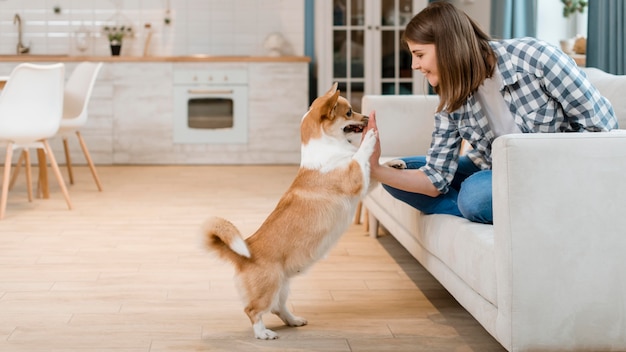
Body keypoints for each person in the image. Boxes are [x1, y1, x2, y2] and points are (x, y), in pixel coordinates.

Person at [363, 1, 617, 224]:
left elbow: (601, 125)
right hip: (493, 167)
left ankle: (486, 204)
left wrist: (571, 177)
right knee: (398, 172)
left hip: (551, 172)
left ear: (448, 46)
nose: (414, 65)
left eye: (419, 54)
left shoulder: (535, 58)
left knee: (475, 197)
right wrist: (375, 169)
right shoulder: (452, 94)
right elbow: (435, 179)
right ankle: (494, 205)